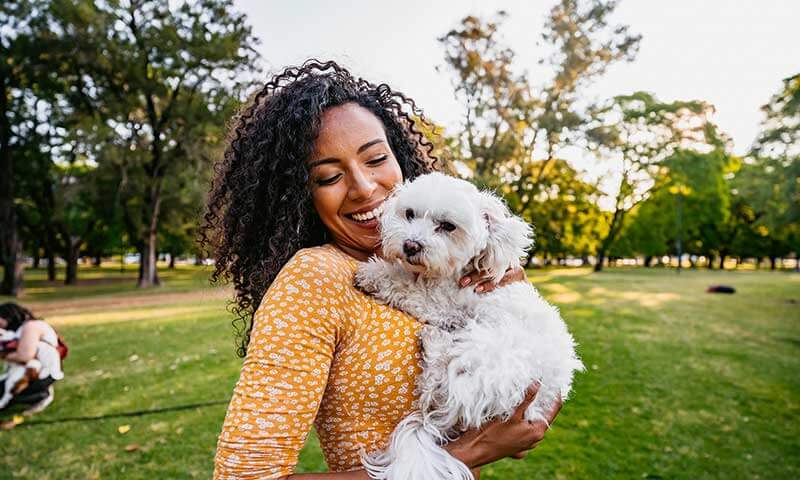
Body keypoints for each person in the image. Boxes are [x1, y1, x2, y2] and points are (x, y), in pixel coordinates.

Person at [204, 60, 562, 479]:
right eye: (329, 176)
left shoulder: (448, 266)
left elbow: (520, 422)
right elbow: (244, 475)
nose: (363, 187)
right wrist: (469, 452)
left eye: (375, 159)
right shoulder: (315, 279)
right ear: (299, 194)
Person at [0, 303, 63, 415]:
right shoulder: (22, 328)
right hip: (33, 371)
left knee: (8, 392)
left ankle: (41, 395)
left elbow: (24, 356)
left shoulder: (31, 327)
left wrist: (4, 355)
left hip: (40, 373)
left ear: (7, 317)